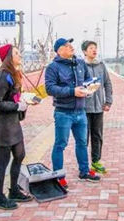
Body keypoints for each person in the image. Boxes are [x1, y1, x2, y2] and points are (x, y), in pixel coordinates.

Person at [44, 38, 101, 189]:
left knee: (82, 142)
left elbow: (87, 80)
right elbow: (49, 89)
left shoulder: (80, 63)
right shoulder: (53, 67)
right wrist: (72, 91)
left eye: (70, 45)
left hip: (80, 111)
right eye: (66, 45)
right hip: (63, 112)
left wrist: (91, 87)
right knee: (60, 144)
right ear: (59, 50)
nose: (70, 47)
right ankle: (58, 176)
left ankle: (84, 171)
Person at [0, 44, 33, 210]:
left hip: (12, 123)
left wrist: (23, 102)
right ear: (8, 57)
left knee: (20, 155)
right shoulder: (3, 76)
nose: (19, 55)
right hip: (2, 126)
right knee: (2, 162)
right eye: (16, 53)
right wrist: (17, 107)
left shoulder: (14, 75)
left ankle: (14, 189)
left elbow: (13, 98)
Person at [81, 40, 113, 174]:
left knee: (97, 135)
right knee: (84, 137)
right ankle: (84, 164)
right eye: (91, 48)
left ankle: (96, 161)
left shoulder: (101, 65)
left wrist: (108, 101)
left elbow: (107, 83)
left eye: (95, 48)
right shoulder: (80, 65)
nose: (94, 50)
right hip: (84, 107)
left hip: (99, 107)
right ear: (84, 51)